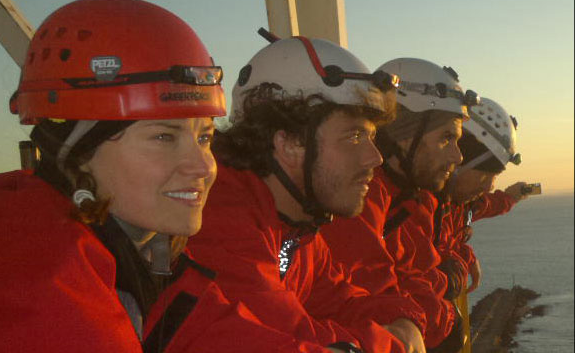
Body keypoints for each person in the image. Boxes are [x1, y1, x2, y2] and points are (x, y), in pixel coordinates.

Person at [0, 0, 337, 352]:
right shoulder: (37, 285)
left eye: (204, 138)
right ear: (77, 152)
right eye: (164, 137)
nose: (203, 166)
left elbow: (213, 336)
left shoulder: (137, 256)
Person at [187, 35, 422, 352]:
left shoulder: (297, 227)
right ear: (290, 144)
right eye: (354, 136)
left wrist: (403, 319)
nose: (375, 158)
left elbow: (341, 299)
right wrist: (392, 344)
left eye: (372, 137)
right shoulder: (219, 220)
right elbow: (285, 335)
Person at [323, 57, 480, 352]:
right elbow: (372, 289)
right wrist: (443, 313)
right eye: (447, 139)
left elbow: (410, 272)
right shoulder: (362, 199)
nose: (458, 158)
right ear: (403, 135)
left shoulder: (405, 200)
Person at [436, 97, 530, 297]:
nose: (489, 186)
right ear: (457, 163)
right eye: (484, 174)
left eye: (495, 176)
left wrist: (511, 198)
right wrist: (458, 261)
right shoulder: (421, 210)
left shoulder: (456, 204)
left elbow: (483, 206)